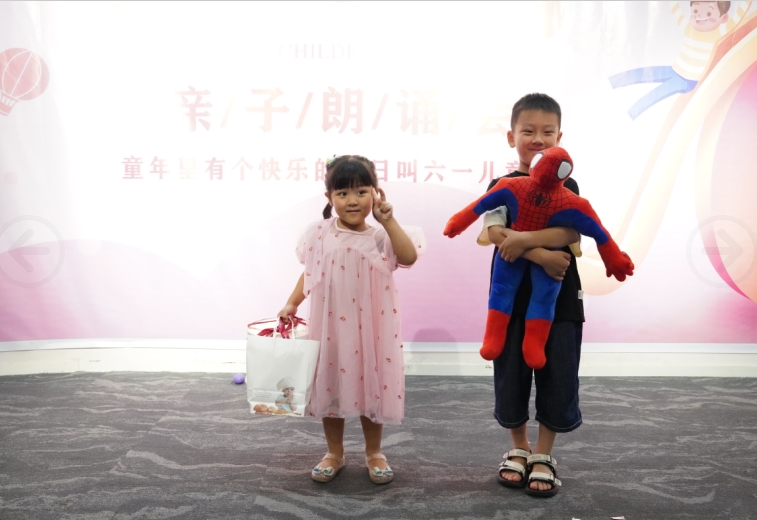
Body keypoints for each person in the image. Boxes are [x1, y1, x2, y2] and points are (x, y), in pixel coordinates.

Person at [278, 155, 424, 484]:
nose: (352, 200)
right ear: (329, 198)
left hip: (372, 328)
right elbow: (310, 273)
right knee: (330, 385)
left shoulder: (381, 236)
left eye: (360, 191)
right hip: (331, 326)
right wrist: (292, 302)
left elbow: (408, 256)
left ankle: (374, 452)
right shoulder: (319, 234)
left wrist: (389, 221)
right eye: (342, 193)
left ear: (376, 193)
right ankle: (334, 452)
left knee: (373, 385)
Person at [478, 93, 583, 497]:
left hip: (560, 300)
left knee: (557, 373)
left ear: (560, 137)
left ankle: (543, 454)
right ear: (511, 137)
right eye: (528, 131)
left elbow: (571, 230)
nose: (538, 139)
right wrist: (538, 253)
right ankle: (519, 448)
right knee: (511, 374)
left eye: (547, 132)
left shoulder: (568, 184)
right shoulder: (501, 185)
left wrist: (522, 240)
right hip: (509, 303)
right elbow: (493, 231)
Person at [609, 1, 751, 120]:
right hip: (675, 70)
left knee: (657, 93)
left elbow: (737, 17)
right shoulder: (689, 28)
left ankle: (629, 114)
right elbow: (675, 10)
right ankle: (613, 81)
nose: (700, 16)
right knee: (646, 72)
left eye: (708, 13)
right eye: (695, 11)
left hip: (687, 80)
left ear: (723, 18)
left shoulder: (717, 33)